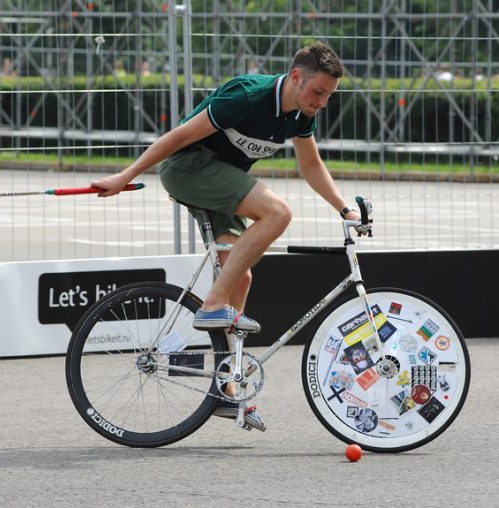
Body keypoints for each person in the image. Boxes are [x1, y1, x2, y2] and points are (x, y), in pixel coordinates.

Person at [91, 41, 361, 430]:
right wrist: (124, 176)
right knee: (278, 213)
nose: (322, 102)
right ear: (296, 77)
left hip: (223, 180)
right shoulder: (247, 97)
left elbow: (312, 165)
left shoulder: (301, 115)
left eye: (329, 96)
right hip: (189, 168)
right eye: (319, 92)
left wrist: (344, 208)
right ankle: (212, 303)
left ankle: (223, 390)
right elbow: (179, 137)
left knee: (240, 274)